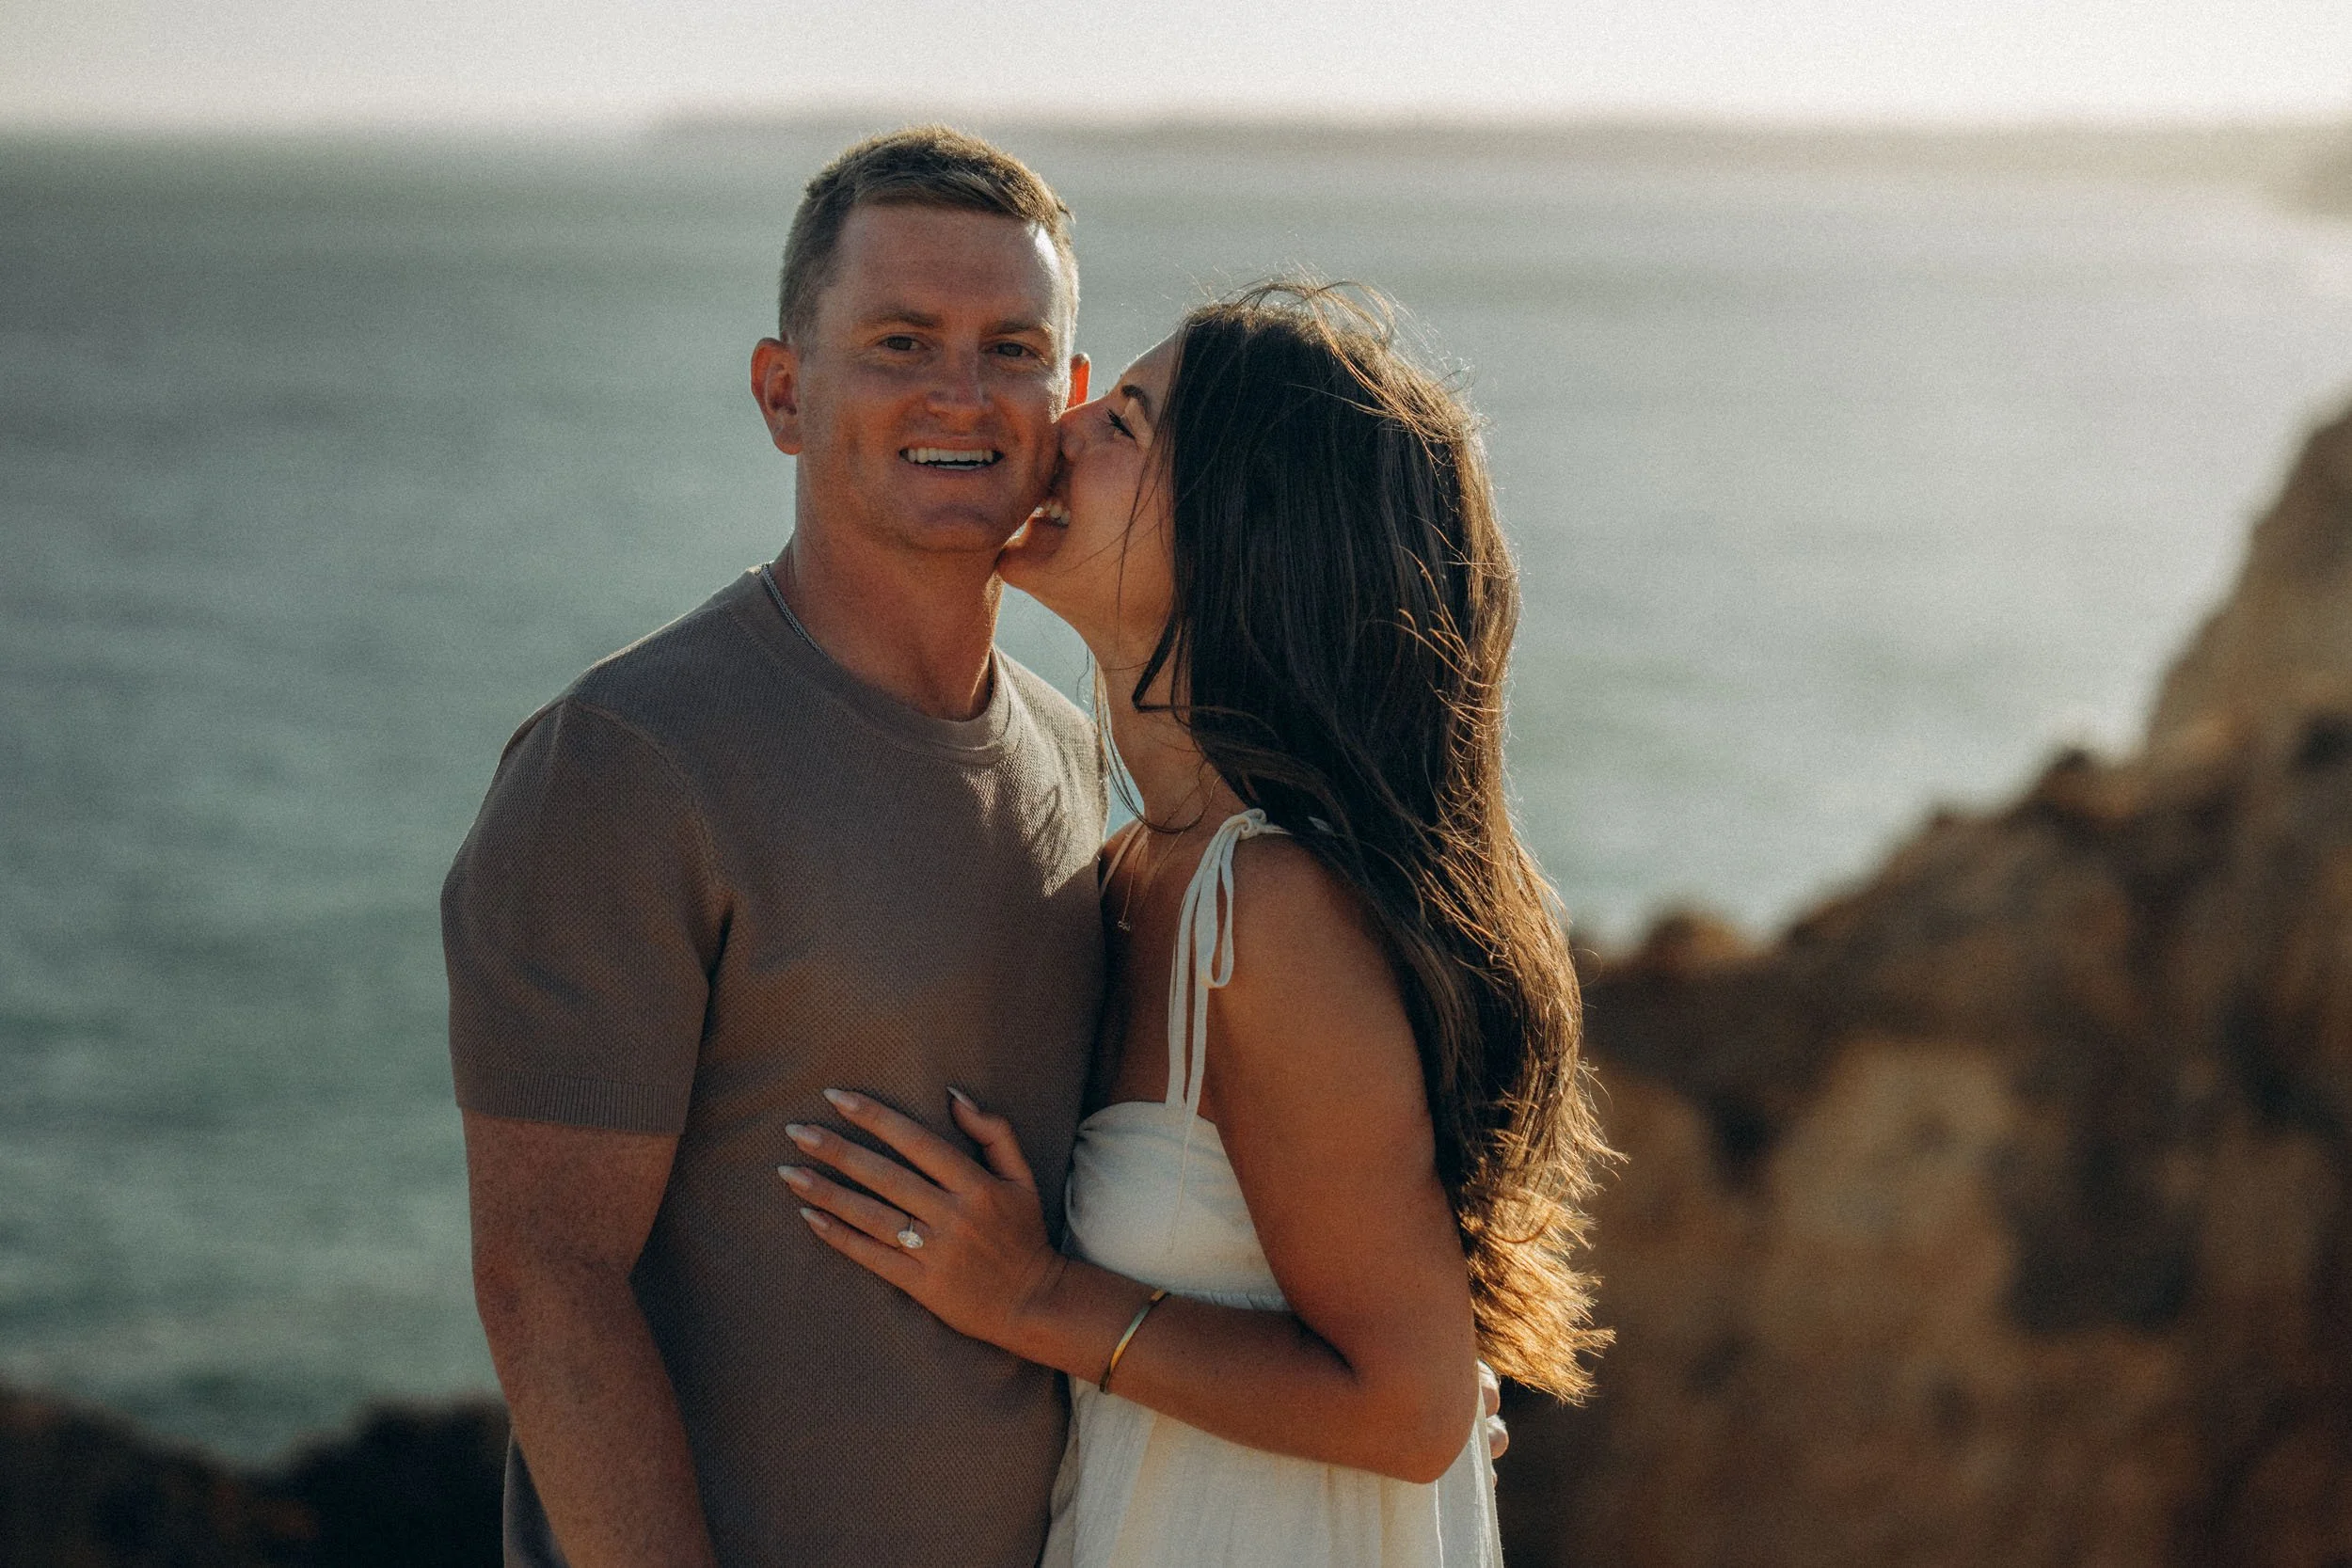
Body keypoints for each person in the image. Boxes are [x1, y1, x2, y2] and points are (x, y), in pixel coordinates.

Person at [780, 281, 1612, 1566]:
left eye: (1125, 420)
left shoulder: (1267, 908)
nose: (1058, 428)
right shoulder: (1130, 869)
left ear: (1244, 524)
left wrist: (1032, 1295)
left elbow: (1410, 1406)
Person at [442, 127, 1107, 1568]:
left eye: (1010, 348)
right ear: (783, 393)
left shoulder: (1077, 758)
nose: (959, 391)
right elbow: (547, 1279)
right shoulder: (629, 761)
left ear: (1070, 399)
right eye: (900, 340)